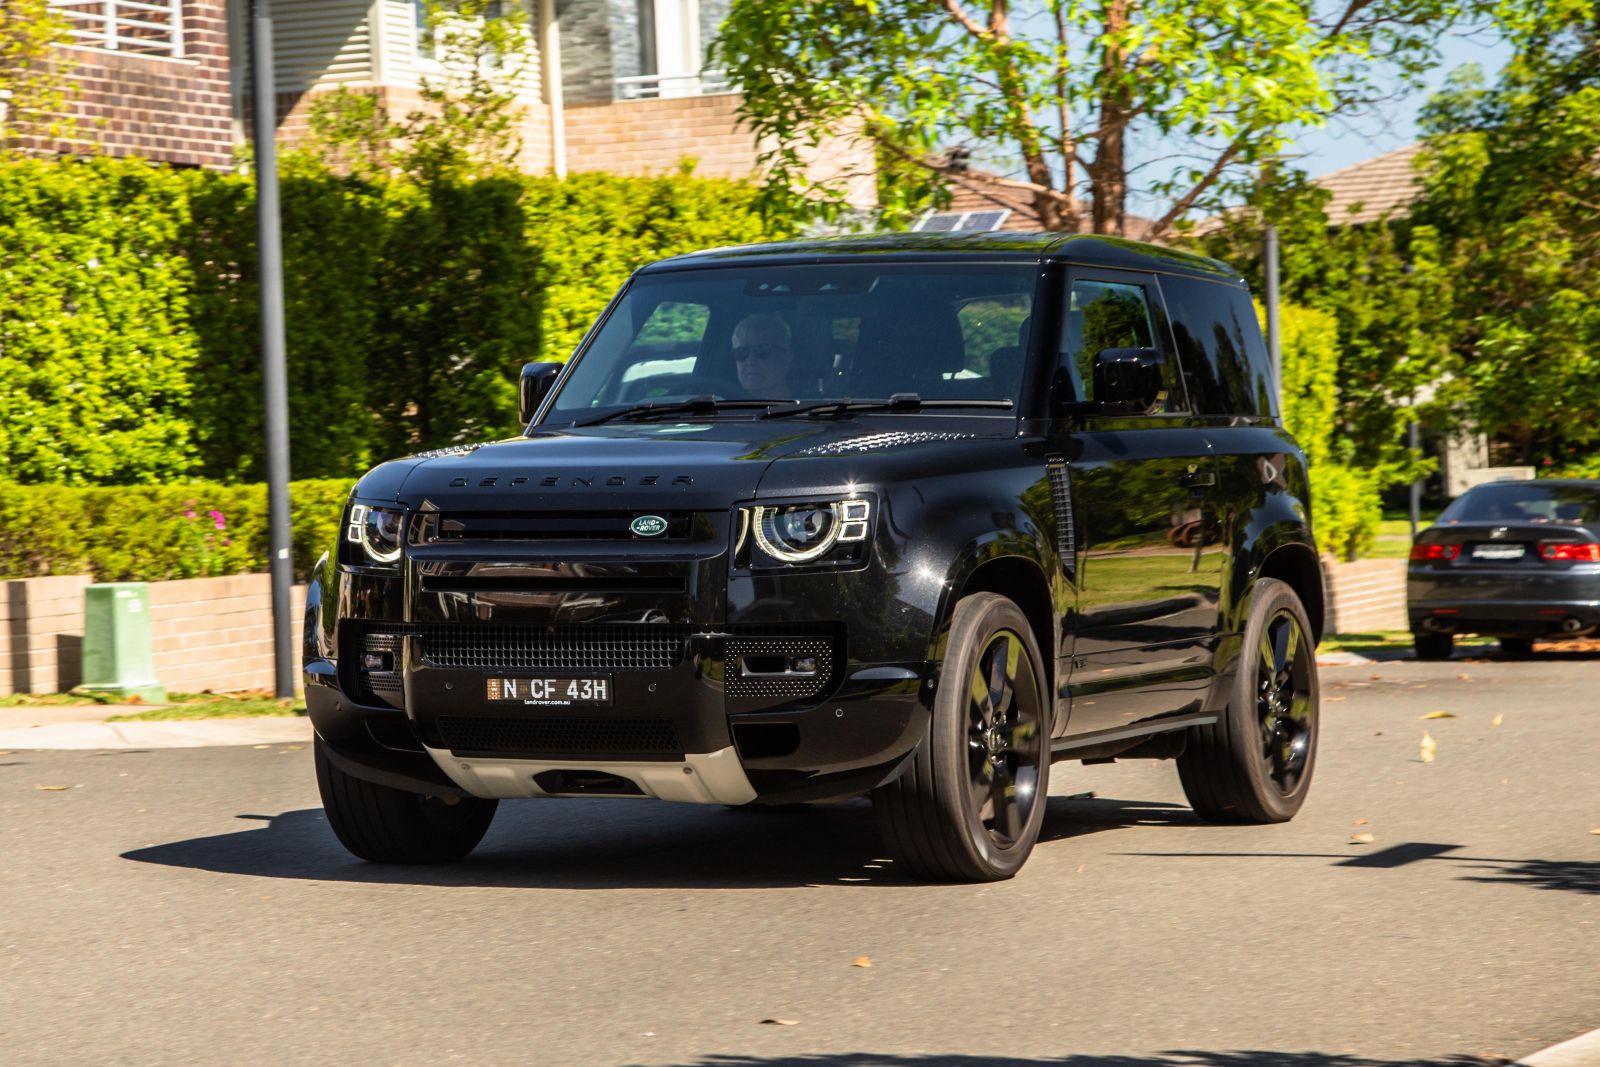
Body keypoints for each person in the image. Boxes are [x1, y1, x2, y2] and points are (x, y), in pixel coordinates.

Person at [730, 312, 795, 398]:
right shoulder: (723, 405)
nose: (750, 361)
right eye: (741, 352)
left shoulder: (811, 404)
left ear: (787, 358)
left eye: (761, 349)